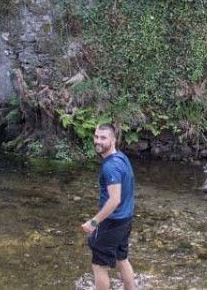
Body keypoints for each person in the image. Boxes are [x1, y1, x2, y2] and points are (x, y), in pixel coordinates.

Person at [80, 124, 136, 290]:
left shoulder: (110, 167)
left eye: (103, 138)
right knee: (121, 259)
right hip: (125, 220)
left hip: (112, 222)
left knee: (99, 266)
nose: (98, 141)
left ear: (113, 139)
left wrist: (94, 222)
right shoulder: (122, 157)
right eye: (96, 137)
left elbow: (114, 200)